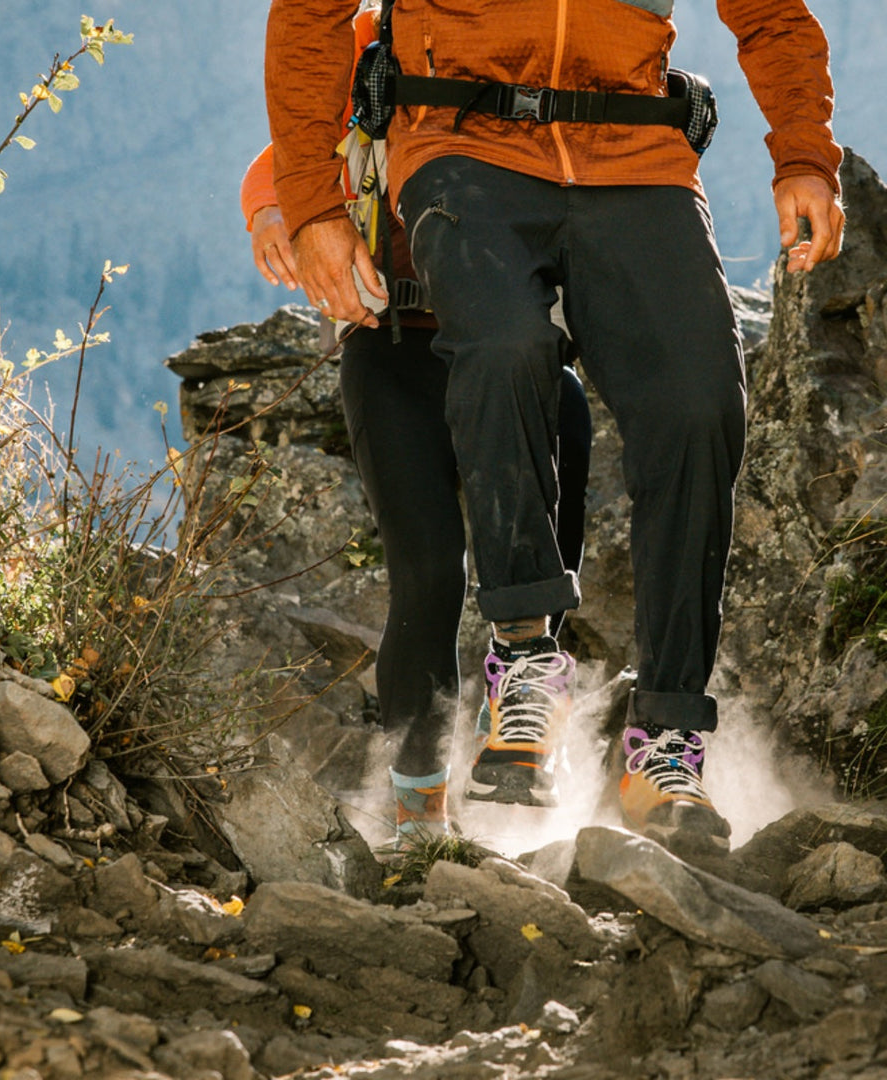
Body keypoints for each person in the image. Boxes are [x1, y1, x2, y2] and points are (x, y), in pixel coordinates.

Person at [264, 0, 845, 851]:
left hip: (638, 154)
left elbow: (771, 12)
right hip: (461, 143)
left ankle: (667, 742)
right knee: (504, 346)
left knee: (700, 402)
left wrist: (804, 153)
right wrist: (310, 205)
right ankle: (526, 658)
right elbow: (310, 12)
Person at [241, 7, 593, 840]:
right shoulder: (374, 44)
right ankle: (416, 803)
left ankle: (528, 725)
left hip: (517, 358)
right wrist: (272, 215)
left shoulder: (544, 35)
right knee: (429, 572)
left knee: (542, 559)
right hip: (394, 345)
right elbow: (282, 158)